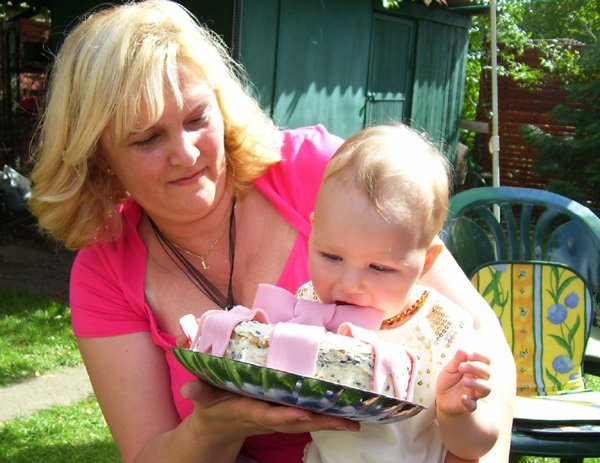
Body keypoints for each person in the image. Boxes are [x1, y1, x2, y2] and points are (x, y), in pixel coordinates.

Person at [27, 1, 515, 462]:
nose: (187, 154)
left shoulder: (325, 176)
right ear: (100, 156)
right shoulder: (106, 271)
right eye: (148, 138)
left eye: (198, 118)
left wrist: (467, 450)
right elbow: (147, 453)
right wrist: (215, 427)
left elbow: (482, 338)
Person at [297, 124, 497, 462]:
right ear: (313, 233)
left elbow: (478, 445)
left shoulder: (442, 331)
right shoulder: (306, 306)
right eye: (331, 256)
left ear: (426, 261)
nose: (349, 283)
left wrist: (456, 413)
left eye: (380, 268)